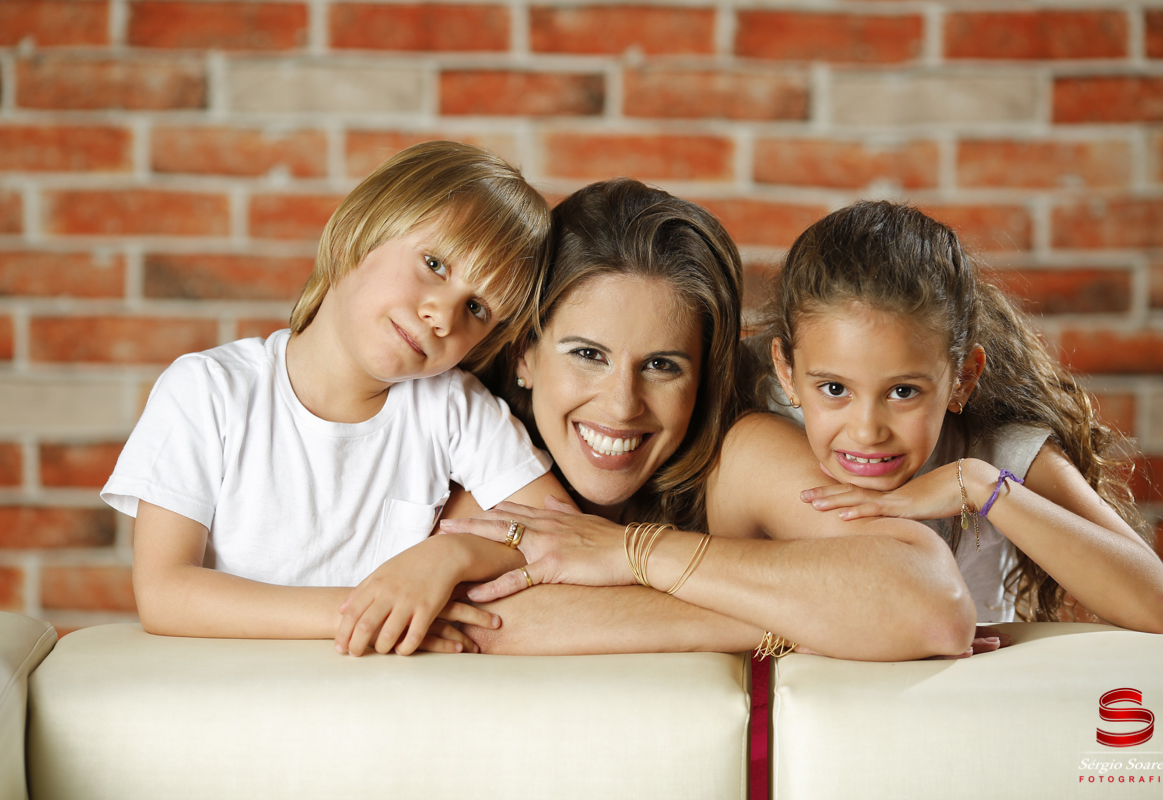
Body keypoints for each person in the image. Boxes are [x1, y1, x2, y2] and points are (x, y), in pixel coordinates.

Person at [440, 180, 979, 661]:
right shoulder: (477, 443)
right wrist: (796, 617)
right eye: (588, 355)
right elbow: (485, 624)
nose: (623, 405)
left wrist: (633, 551)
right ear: (524, 355)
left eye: (662, 365)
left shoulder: (740, 455)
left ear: (704, 377)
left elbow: (933, 607)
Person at [101, 141, 572, 657]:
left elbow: (563, 535)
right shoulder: (208, 390)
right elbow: (165, 593)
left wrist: (452, 555)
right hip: (234, 690)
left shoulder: (454, 408)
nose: (443, 316)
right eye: (435, 264)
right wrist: (372, 608)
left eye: (477, 309)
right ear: (361, 231)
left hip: (379, 697)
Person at [758, 200, 1163, 631]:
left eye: (903, 391)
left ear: (962, 378)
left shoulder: (996, 450)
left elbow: (1159, 607)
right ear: (786, 373)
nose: (867, 431)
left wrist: (980, 486)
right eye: (834, 389)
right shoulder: (761, 426)